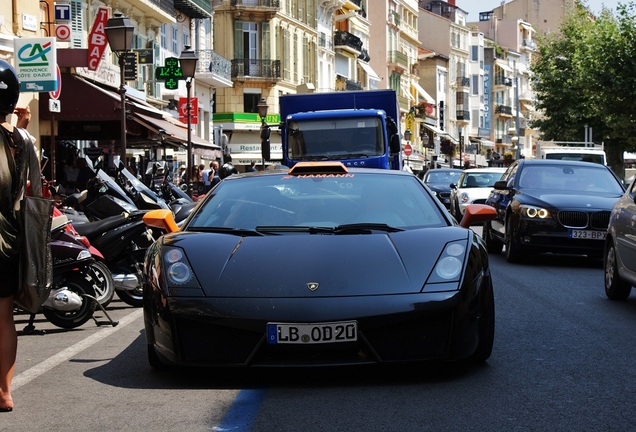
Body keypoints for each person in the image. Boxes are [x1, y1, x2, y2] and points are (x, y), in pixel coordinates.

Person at [0, 59, 41, 413]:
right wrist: (21, 127)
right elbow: (35, 191)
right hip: (8, 243)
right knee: (3, 318)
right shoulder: (22, 140)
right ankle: (4, 392)